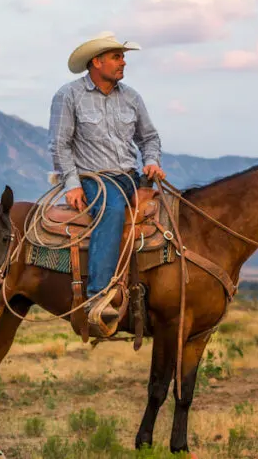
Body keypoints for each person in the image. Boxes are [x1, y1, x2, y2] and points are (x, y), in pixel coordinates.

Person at [48, 32, 165, 334]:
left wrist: (151, 161)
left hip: (131, 175)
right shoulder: (69, 95)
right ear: (96, 61)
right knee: (112, 211)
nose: (123, 62)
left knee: (168, 212)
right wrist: (71, 184)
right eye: (117, 56)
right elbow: (60, 144)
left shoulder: (131, 97)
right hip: (95, 179)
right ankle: (98, 296)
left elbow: (149, 138)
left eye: (122, 57)